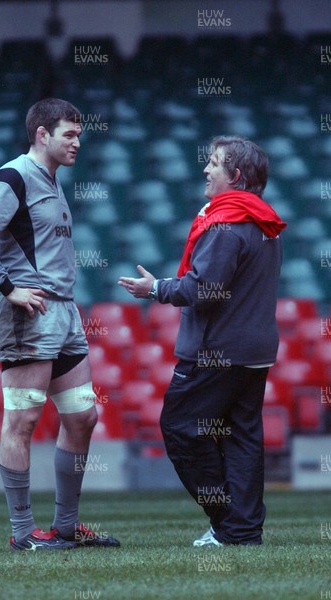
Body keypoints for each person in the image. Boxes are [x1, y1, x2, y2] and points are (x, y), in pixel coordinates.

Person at [0, 98, 120, 551]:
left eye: (79, 135)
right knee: (24, 420)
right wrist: (8, 288)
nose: (77, 142)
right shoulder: (14, 176)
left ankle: (66, 528)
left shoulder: (51, 180)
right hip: (29, 316)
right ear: (41, 135)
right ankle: (22, 533)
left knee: (83, 418)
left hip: (63, 315)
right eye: (69, 134)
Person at [118, 135, 286, 546]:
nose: (205, 170)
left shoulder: (226, 224)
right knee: (242, 436)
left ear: (237, 175)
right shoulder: (266, 222)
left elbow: (202, 289)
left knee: (178, 427)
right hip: (256, 351)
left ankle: (227, 520)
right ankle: (243, 530)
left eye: (214, 163)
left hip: (217, 352)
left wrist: (156, 288)